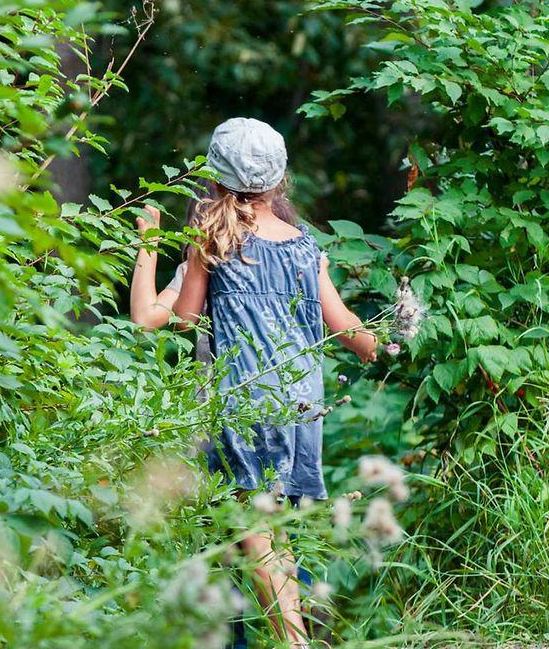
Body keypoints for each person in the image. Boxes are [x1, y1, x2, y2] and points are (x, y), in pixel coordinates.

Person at [133, 118, 377, 648]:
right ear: (279, 179)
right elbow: (348, 330)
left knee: (252, 528)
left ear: (214, 179)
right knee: (278, 531)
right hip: (299, 404)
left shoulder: (211, 241)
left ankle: (294, 644)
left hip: (245, 398)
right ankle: (295, 638)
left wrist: (157, 248)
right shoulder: (305, 247)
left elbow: (182, 320)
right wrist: (382, 341)